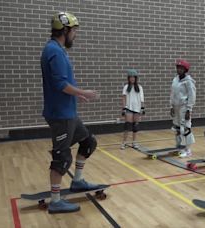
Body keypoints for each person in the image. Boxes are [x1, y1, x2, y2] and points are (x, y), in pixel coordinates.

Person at [41, 12, 105, 214]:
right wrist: (83, 92)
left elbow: (62, 82)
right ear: (65, 30)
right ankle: (56, 201)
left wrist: (77, 96)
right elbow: (60, 84)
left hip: (68, 111)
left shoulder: (57, 49)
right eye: (74, 30)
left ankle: (77, 181)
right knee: (61, 157)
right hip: (60, 114)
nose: (76, 34)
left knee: (88, 142)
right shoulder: (54, 52)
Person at [170, 59, 196, 158]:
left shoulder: (189, 81)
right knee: (177, 127)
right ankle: (180, 146)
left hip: (184, 106)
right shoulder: (175, 79)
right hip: (176, 106)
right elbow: (172, 93)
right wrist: (171, 106)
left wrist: (189, 109)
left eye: (181, 68)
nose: (179, 70)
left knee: (185, 128)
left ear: (185, 69)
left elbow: (192, 95)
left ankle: (188, 149)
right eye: (178, 68)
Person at [120, 69, 145, 150]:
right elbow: (123, 98)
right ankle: (124, 142)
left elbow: (142, 99)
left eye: (134, 77)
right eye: (131, 77)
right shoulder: (126, 87)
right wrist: (123, 108)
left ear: (136, 78)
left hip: (137, 109)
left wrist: (142, 108)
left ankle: (134, 142)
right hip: (129, 108)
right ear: (128, 78)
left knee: (135, 126)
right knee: (127, 125)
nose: (132, 79)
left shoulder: (140, 87)